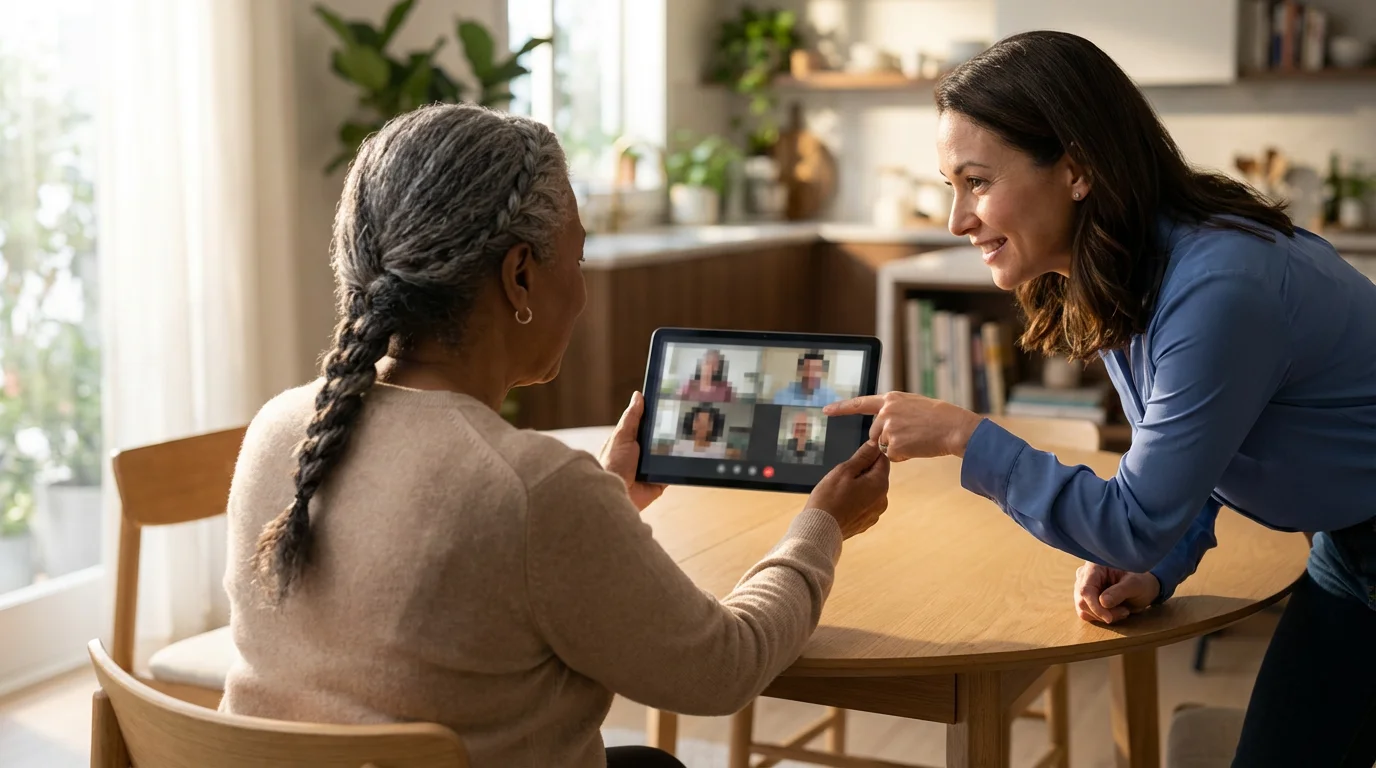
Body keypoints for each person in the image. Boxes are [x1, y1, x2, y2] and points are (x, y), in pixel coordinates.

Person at [220, 104, 892, 768]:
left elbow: (474, 582)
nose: (581, 288)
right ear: (520, 276)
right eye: (578, 254)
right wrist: (821, 525)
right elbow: (722, 669)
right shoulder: (532, 490)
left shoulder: (279, 427)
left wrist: (603, 502)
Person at [824, 31, 1376, 767]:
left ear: (1077, 168)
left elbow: (1132, 519)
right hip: (1352, 546)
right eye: (949, 186)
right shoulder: (1127, 266)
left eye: (977, 182)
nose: (957, 219)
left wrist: (966, 436)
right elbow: (1201, 449)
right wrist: (1159, 567)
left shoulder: (1219, 287)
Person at [772, 351, 841, 407]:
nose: (811, 374)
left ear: (822, 373)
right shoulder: (783, 395)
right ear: (800, 371)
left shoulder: (831, 396)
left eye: (816, 369)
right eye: (807, 368)